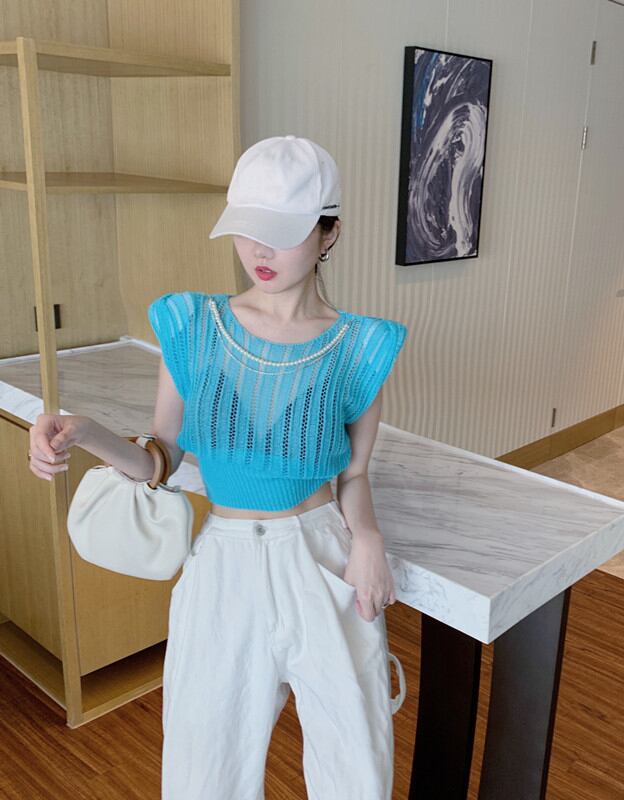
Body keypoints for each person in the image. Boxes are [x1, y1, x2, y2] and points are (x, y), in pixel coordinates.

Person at [27, 135, 408, 799]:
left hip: (323, 558)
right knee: (204, 776)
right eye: (247, 229)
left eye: (283, 233)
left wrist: (368, 539)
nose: (259, 251)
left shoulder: (361, 346)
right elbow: (163, 456)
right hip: (223, 567)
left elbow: (352, 474)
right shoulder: (193, 326)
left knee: (356, 771)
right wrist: (86, 432)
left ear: (330, 233)